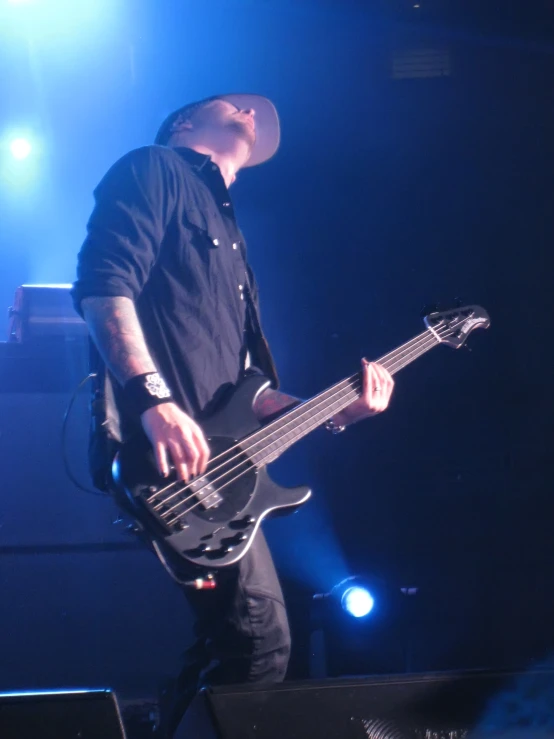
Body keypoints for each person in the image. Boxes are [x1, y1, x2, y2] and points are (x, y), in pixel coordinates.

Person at [71, 93, 395, 736]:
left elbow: (256, 394)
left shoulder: (234, 239)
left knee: (240, 643)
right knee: (259, 640)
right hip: (170, 456)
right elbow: (103, 284)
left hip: (220, 469)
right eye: (230, 105)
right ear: (182, 124)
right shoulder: (153, 168)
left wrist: (338, 413)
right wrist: (153, 400)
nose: (249, 110)